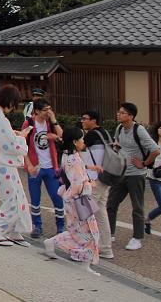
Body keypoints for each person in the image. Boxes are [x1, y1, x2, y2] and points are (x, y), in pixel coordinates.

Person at [43, 126, 101, 276]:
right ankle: (84, 264)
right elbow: (77, 184)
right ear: (75, 142)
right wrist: (89, 184)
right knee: (89, 232)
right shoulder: (74, 158)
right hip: (79, 200)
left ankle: (52, 243)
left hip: (72, 200)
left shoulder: (67, 156)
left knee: (77, 231)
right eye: (81, 139)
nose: (83, 142)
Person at [0, 84, 32, 247]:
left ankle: (13, 230)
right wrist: (22, 138)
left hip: (1, 161)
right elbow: (8, 144)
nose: (14, 107)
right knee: (12, 198)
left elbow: (4, 138)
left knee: (17, 196)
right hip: (1, 161)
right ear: (10, 101)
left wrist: (15, 135)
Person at [106, 102, 160, 251]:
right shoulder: (119, 128)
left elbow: (155, 150)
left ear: (130, 116)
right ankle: (109, 233)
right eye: (119, 112)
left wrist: (144, 163)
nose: (118, 114)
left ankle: (137, 238)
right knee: (111, 204)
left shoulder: (139, 130)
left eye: (122, 113)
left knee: (137, 207)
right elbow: (117, 144)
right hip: (121, 173)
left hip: (136, 175)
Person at [22, 99, 65, 238]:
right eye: (45, 110)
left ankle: (60, 226)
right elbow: (22, 146)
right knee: (35, 198)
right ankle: (37, 226)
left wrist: (54, 120)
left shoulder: (49, 123)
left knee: (57, 196)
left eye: (50, 109)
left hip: (51, 167)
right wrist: (29, 165)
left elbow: (62, 136)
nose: (49, 112)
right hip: (35, 167)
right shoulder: (29, 124)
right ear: (37, 111)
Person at [81, 109, 114, 259]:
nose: (82, 121)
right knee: (101, 212)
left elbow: (79, 147)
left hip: (96, 179)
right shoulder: (106, 133)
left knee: (84, 211)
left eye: (85, 118)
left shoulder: (92, 134)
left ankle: (84, 245)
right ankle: (106, 249)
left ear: (94, 120)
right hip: (107, 177)